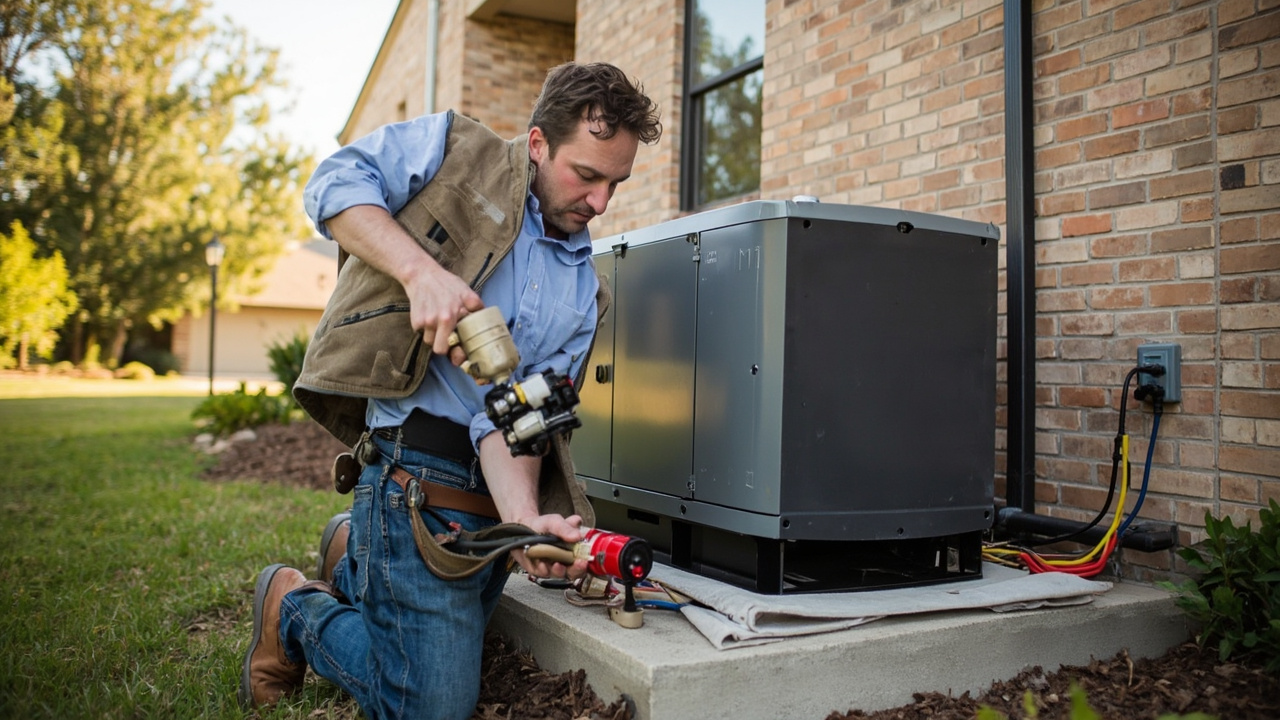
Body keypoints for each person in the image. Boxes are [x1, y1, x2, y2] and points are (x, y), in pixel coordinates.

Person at [237, 62, 661, 720]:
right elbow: (333, 184)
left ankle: (358, 561)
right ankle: (295, 607)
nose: (601, 202)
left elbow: (515, 420)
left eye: (616, 183)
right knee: (432, 707)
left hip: (482, 517)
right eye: (587, 174)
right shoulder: (454, 148)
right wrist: (420, 275)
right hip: (410, 481)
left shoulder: (585, 294)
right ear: (539, 143)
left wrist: (524, 524)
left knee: (428, 657)